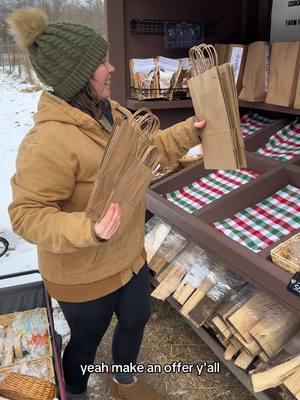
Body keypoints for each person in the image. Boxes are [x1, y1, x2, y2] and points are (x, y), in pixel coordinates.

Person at [6, 7, 205, 400]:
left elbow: (150, 152)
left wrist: (189, 131)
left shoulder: (112, 113)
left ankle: (124, 382)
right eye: (101, 63)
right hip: (82, 273)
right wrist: (88, 229)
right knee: (85, 343)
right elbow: (26, 216)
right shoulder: (47, 142)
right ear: (76, 77)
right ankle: (76, 393)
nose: (112, 67)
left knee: (135, 319)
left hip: (127, 255)